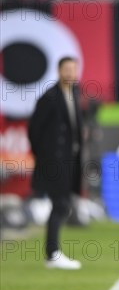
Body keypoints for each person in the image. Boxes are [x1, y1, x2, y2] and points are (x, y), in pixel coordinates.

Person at [28, 56, 84, 270]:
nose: (70, 73)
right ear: (59, 71)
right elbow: (34, 130)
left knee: (63, 204)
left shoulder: (74, 93)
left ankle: (53, 253)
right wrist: (44, 157)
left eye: (73, 69)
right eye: (66, 69)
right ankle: (52, 254)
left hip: (69, 161)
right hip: (54, 163)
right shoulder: (50, 97)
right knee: (60, 204)